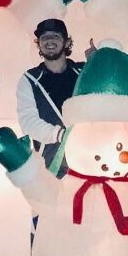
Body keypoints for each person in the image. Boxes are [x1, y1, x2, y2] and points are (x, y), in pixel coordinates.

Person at [16, 19, 87, 178]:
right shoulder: (30, 79)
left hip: (90, 162)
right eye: (44, 37)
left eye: (55, 36)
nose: (49, 40)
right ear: (38, 44)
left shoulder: (84, 71)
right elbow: (28, 122)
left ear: (67, 42)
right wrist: (61, 135)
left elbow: (107, 100)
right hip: (53, 169)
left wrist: (98, 61)